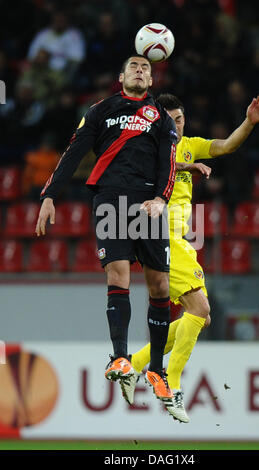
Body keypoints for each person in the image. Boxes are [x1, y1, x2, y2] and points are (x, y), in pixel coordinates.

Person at [35, 54, 177, 409]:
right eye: (134, 66)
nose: (140, 71)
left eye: (146, 68)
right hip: (111, 198)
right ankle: (119, 357)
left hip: (148, 201)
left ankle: (157, 369)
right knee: (119, 273)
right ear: (121, 76)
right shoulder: (100, 110)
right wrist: (51, 195)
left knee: (160, 284)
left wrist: (162, 197)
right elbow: (74, 152)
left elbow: (168, 162)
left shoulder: (159, 116)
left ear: (151, 80)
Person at [121, 92, 259, 423]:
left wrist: (249, 122)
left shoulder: (190, 143)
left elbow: (226, 145)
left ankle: (135, 365)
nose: (177, 124)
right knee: (200, 311)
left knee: (200, 317)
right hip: (160, 236)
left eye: (181, 118)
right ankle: (169, 383)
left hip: (181, 241)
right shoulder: (148, 148)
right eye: (171, 119)